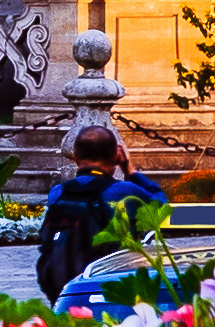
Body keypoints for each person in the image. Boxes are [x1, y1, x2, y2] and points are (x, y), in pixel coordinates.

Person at [32, 123, 163, 302]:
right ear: (116, 156)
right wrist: (129, 170)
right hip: (109, 290)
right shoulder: (123, 191)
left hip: (66, 292)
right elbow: (162, 205)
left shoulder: (58, 193)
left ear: (76, 158)